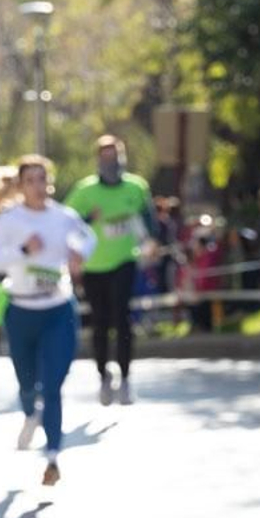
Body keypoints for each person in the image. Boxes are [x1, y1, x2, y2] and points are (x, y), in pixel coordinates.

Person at [0, 156, 96, 487]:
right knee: (28, 384)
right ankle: (30, 413)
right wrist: (23, 251)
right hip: (22, 312)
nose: (38, 186)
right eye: (31, 180)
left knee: (53, 386)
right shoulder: (11, 220)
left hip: (57, 308)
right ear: (21, 186)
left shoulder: (63, 217)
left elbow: (88, 238)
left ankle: (53, 455)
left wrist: (79, 254)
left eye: (43, 179)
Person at [65, 135, 155, 405]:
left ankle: (126, 378)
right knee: (100, 322)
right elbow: (64, 222)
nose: (111, 162)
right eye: (105, 157)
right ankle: (104, 375)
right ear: (97, 160)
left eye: (114, 156)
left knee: (122, 316)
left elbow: (149, 218)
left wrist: (152, 241)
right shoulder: (85, 191)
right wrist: (87, 219)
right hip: (94, 265)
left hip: (125, 260)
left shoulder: (136, 187)